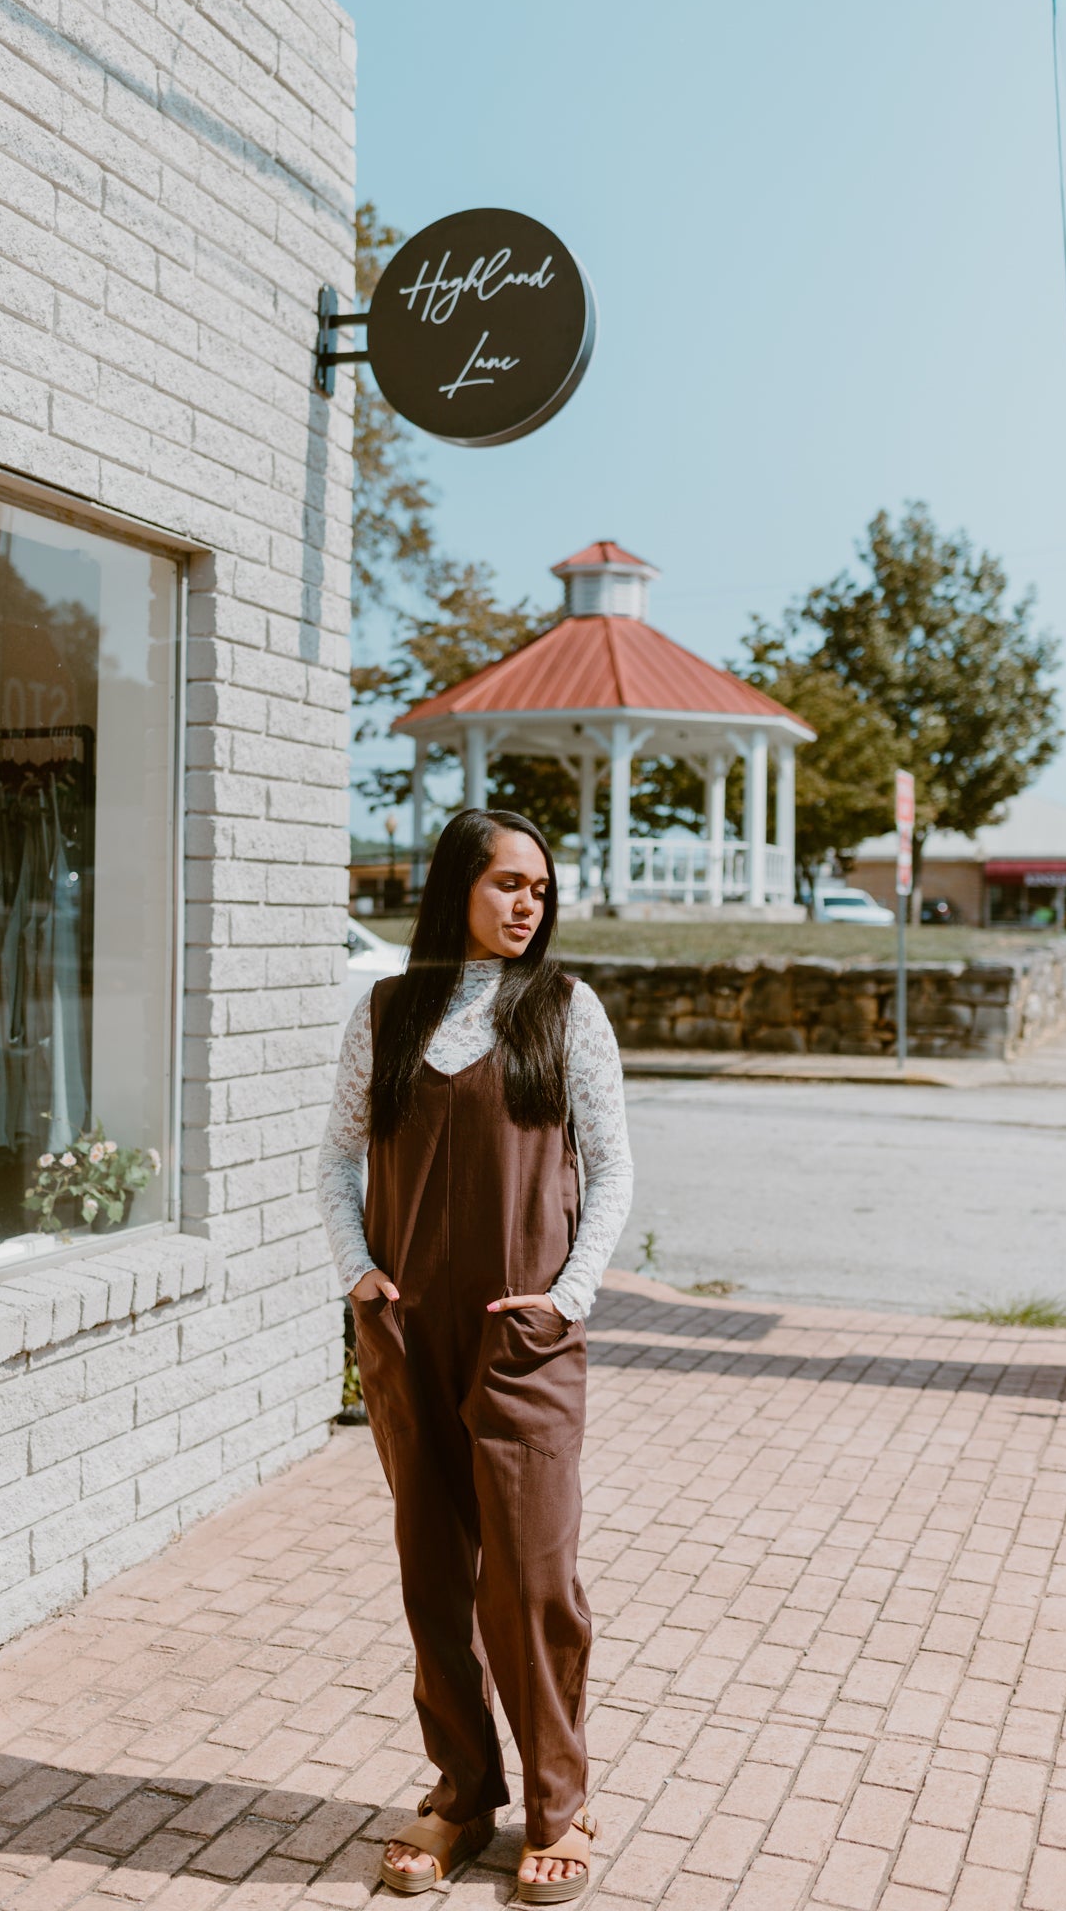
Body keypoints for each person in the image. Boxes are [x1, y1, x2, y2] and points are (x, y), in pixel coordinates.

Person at [318, 808, 633, 1902]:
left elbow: (611, 1168)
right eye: (507, 883)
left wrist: (566, 1297)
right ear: (456, 885)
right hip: (409, 1331)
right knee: (432, 1574)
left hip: (523, 1335)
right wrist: (359, 1272)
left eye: (539, 888)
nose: (526, 904)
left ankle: (559, 1804)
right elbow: (336, 1157)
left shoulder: (564, 1009)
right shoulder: (387, 1011)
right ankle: (460, 1794)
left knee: (532, 1576)